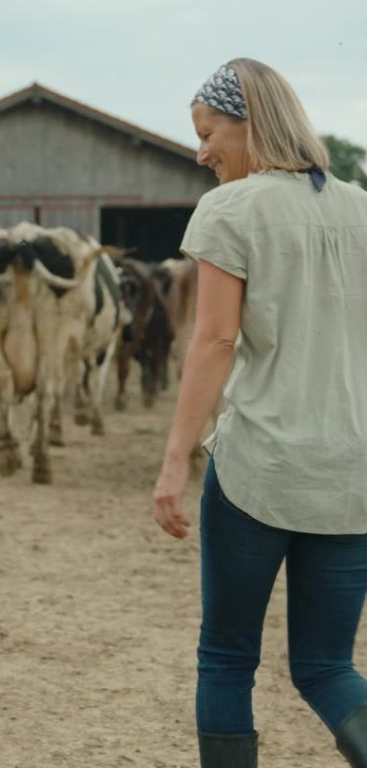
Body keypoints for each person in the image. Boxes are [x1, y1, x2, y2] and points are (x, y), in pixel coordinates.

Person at [152, 58, 367, 768]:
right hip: (351, 476)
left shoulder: (231, 208)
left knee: (225, 658)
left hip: (259, 470)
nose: (201, 150)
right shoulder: (360, 207)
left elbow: (214, 340)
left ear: (251, 125)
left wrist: (176, 456)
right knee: (327, 668)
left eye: (209, 132)